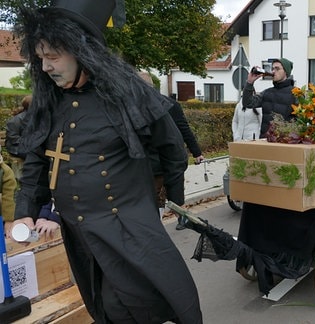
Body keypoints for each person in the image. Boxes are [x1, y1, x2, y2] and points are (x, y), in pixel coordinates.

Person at [12, 1, 203, 323]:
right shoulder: (49, 101)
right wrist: (24, 214)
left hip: (125, 224)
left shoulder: (130, 93)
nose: (45, 67)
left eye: (53, 56)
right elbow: (35, 162)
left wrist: (168, 197)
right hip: (79, 231)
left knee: (134, 304)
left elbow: (171, 147)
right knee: (101, 304)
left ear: (81, 51)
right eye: (41, 58)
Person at [137, 71, 205, 230]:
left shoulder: (165, 105)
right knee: (158, 203)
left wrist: (197, 152)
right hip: (159, 166)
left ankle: (161, 229)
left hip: (155, 166)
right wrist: (197, 153)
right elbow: (184, 130)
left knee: (155, 205)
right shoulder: (168, 104)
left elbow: (183, 130)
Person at [242, 58, 296, 138]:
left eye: (277, 69)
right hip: (265, 141)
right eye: (273, 68)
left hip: (285, 142)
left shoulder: (296, 94)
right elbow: (248, 103)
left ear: (285, 72)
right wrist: (249, 83)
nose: (273, 71)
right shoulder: (267, 93)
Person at [5, 94, 32, 182]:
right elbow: (14, 139)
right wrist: (32, 143)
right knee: (35, 154)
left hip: (29, 146)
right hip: (16, 148)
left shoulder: (36, 118)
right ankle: (27, 180)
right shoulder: (14, 121)